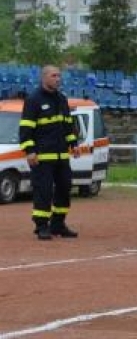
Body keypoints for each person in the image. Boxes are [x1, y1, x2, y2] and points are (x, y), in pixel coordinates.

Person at [19, 65, 80, 240]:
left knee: (64, 189)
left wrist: (73, 144)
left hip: (62, 157)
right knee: (43, 192)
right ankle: (41, 226)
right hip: (42, 158)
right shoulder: (33, 99)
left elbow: (68, 125)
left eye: (59, 76)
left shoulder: (62, 99)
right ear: (44, 78)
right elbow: (26, 128)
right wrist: (29, 151)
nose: (58, 79)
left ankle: (58, 224)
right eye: (54, 76)